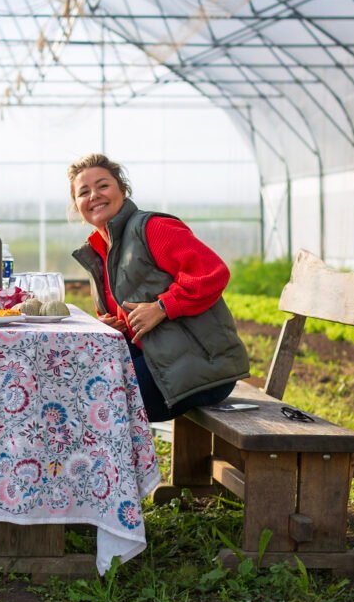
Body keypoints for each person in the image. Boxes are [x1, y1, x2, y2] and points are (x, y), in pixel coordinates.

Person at [69, 153, 250, 422]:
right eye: (84, 192)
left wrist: (163, 307)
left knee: (95, 400)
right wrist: (113, 324)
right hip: (158, 360)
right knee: (72, 378)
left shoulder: (153, 228)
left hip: (203, 369)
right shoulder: (99, 250)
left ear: (122, 190)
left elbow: (212, 273)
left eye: (103, 185)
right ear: (77, 205)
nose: (94, 195)